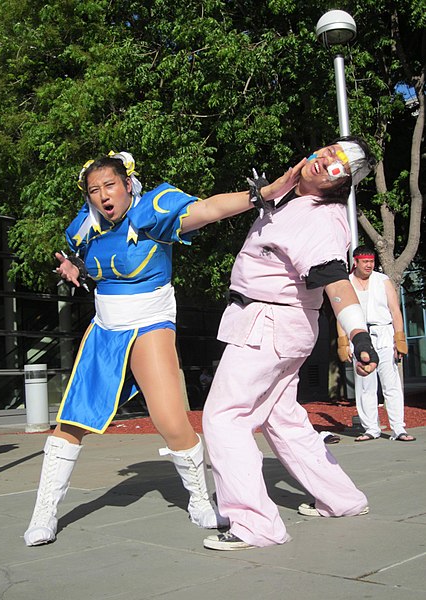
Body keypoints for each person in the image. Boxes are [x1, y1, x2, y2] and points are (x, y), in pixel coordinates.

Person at [24, 150, 304, 547]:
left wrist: (262, 194)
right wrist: (76, 270)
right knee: (70, 423)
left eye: (110, 186)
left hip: (149, 324)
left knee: (172, 421)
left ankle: (200, 501)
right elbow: (96, 270)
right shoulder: (83, 230)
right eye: (94, 190)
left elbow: (207, 210)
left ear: (127, 184)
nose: (104, 196)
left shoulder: (153, 210)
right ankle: (43, 514)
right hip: (105, 330)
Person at [202, 136, 379, 551]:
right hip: (281, 324)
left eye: (339, 166)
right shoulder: (288, 199)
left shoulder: (321, 218)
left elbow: (335, 278)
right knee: (282, 417)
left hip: (270, 322)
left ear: (341, 184)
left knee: (225, 416)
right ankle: (342, 499)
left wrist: (359, 334)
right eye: (327, 152)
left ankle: (255, 524)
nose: (326, 162)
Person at [337, 245, 415, 443]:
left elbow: (395, 311)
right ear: (356, 262)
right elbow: (341, 315)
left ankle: (399, 428)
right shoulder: (346, 282)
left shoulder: (383, 281)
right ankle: (371, 428)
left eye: (371, 261)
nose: (369, 265)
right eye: (365, 262)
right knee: (365, 385)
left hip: (384, 333)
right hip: (359, 336)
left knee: (391, 384)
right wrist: (343, 342)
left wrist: (399, 339)